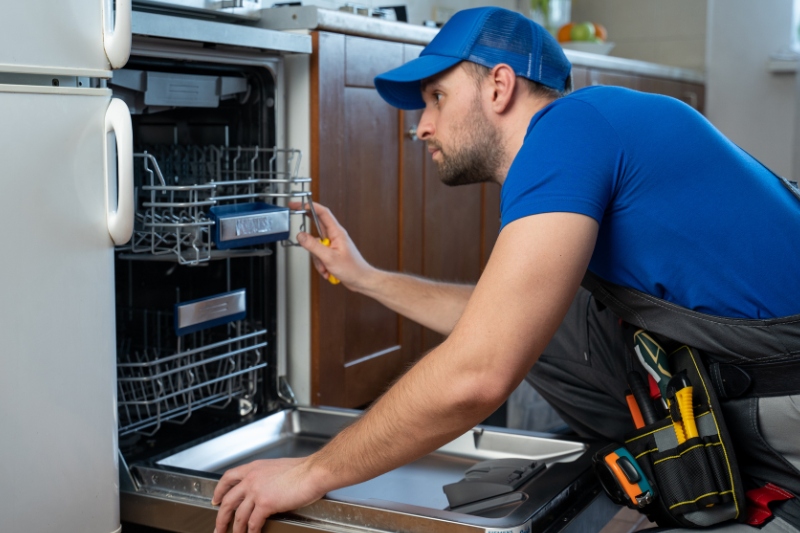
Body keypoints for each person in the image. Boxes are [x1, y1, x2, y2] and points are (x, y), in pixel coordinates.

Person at [212, 7, 800, 533]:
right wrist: (362, 274)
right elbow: (499, 321)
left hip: (787, 406)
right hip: (753, 372)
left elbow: (479, 373)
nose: (421, 127)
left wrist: (312, 472)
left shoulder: (569, 129)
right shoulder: (596, 126)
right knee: (557, 322)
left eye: (436, 97)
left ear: (499, 85)